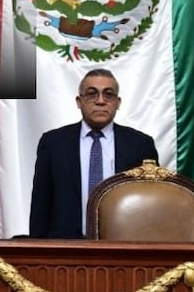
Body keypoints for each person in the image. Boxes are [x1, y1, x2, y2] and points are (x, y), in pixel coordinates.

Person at [29, 68, 158, 239]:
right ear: (79, 101)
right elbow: (41, 205)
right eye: (91, 94)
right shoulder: (53, 143)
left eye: (108, 95)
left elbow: (150, 206)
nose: (100, 101)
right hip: (64, 250)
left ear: (118, 102)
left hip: (124, 248)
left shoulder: (140, 144)